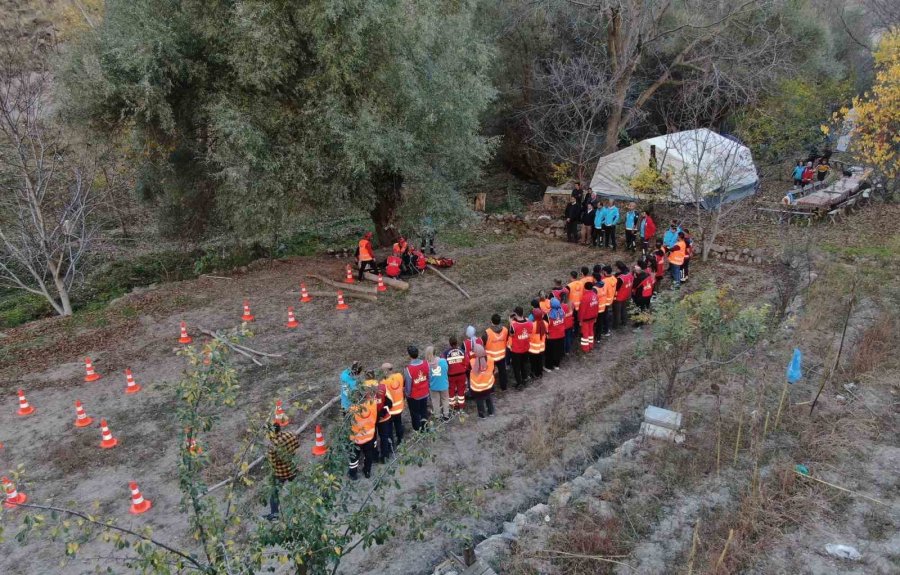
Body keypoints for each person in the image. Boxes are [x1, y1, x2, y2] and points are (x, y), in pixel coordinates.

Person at [264, 422, 300, 520]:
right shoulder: (290, 434)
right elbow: (297, 445)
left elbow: (273, 464)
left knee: (274, 494)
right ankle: (300, 507)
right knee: (297, 488)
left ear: (270, 433)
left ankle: (275, 515)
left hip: (281, 473)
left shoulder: (272, 446)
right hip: (292, 468)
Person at [348, 387, 378, 480]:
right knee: (368, 455)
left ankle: (353, 474)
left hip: (356, 439)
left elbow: (348, 424)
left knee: (354, 457)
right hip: (369, 437)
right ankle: (367, 471)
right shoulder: (372, 405)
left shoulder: (353, 410)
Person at [403, 346, 431, 431]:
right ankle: (426, 428)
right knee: (424, 411)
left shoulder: (408, 369)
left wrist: (407, 395)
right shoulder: (426, 363)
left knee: (415, 414)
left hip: (414, 396)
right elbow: (429, 377)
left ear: (409, 355)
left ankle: (418, 430)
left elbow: (408, 384)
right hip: (425, 393)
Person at [380, 363, 405, 447]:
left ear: (386, 371)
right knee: (398, 424)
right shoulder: (399, 376)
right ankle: (400, 440)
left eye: (383, 371)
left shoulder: (384, 383)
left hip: (391, 410)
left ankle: (391, 445)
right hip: (400, 407)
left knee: (389, 428)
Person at [374, 369, 395, 462]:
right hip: (384, 418)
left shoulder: (363, 391)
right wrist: (382, 414)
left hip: (370, 420)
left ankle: (374, 457)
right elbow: (390, 403)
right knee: (384, 437)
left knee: (372, 439)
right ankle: (385, 456)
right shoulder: (383, 387)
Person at [483, 314, 509, 391]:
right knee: (502, 372)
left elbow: (483, 343)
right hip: (501, 356)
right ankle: (504, 387)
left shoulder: (487, 332)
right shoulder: (505, 330)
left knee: (490, 373)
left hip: (491, 358)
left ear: (491, 321)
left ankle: (491, 389)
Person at [509, 307, 533, 390]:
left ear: (515, 314)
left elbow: (511, 334)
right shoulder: (529, 322)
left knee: (516, 367)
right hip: (526, 348)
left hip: (516, 350)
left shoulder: (514, 325)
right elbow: (530, 331)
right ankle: (524, 378)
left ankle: (519, 383)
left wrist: (510, 322)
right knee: (524, 364)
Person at [469, 345, 495, 419]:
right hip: (488, 384)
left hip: (477, 387)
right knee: (488, 398)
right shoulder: (490, 359)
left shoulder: (472, 361)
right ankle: (491, 412)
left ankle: (482, 415)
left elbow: (469, 370)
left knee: (479, 400)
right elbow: (492, 369)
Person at [425, 346, 450, 422]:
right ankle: (446, 415)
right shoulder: (443, 361)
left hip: (433, 386)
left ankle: (437, 416)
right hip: (444, 385)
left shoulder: (426, 364)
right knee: (445, 400)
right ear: (435, 352)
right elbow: (447, 370)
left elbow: (427, 376)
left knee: (435, 401)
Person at [444, 336, 468, 412]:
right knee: (461, 390)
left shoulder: (446, 353)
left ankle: (453, 406)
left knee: (451, 391)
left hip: (451, 376)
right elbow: (467, 362)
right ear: (457, 342)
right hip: (461, 374)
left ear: (450, 344)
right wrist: (464, 368)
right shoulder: (462, 351)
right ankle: (461, 407)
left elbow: (444, 364)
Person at [579, 281, 599, 352]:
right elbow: (597, 307)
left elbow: (582, 311)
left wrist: (580, 320)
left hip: (585, 319)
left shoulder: (584, 297)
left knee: (585, 334)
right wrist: (596, 317)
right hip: (593, 317)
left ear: (585, 288)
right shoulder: (595, 295)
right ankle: (591, 345)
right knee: (591, 331)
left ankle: (585, 348)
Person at [631, 261, 653, 326]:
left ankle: (639, 323)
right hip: (648, 294)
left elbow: (634, 286)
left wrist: (634, 278)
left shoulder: (638, 279)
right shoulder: (648, 275)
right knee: (646, 307)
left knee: (639, 309)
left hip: (641, 296)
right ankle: (647, 319)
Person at [546, 297, 566, 370]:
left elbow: (547, 325)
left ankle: (549, 367)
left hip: (552, 337)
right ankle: (557, 365)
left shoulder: (549, 315)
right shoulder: (562, 312)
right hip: (561, 335)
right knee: (558, 351)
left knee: (550, 352)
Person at [528, 307, 548, 378]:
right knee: (540, 360)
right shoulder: (545, 323)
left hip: (533, 348)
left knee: (533, 362)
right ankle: (540, 373)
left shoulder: (532, 325)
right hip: (541, 347)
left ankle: (534, 373)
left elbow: (528, 335)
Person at [613, 261, 633, 329]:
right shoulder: (629, 274)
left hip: (619, 297)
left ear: (618, 268)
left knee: (617, 312)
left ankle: (616, 325)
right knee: (624, 309)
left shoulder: (620, 278)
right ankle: (624, 322)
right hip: (626, 295)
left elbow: (616, 288)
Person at [598, 266, 616, 338]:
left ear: (605, 272)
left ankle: (606, 330)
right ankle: (606, 329)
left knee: (604, 316)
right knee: (606, 315)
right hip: (610, 299)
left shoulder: (605, 281)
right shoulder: (614, 278)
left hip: (604, 301)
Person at [561, 289, 575, 355]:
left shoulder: (561, 306)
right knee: (569, 337)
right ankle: (568, 350)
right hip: (570, 322)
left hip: (564, 324)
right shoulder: (571, 303)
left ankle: (564, 350)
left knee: (564, 338)